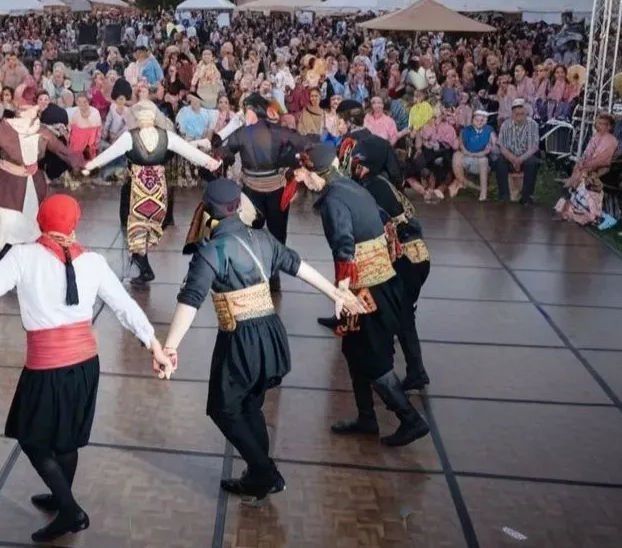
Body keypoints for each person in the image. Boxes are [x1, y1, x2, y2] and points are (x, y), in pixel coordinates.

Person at [0, 195, 171, 543]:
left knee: (32, 439)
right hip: (86, 364)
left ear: (40, 222)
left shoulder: (22, 257)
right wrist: (154, 345)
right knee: (67, 439)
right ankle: (61, 497)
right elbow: (125, 307)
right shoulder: (94, 262)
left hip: (47, 365)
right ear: (75, 224)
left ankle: (70, 511)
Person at [161, 179, 362, 502]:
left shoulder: (211, 251)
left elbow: (191, 300)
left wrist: (170, 347)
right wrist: (334, 293)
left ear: (207, 212)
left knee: (223, 409)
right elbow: (299, 266)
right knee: (250, 404)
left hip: (239, 338)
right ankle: (257, 476)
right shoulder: (262, 238)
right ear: (238, 206)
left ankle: (264, 472)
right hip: (269, 332)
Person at [287, 143, 429, 447]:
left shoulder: (333, 201)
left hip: (366, 291)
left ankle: (411, 419)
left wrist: (340, 293)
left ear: (317, 173)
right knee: (353, 352)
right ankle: (366, 417)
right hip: (382, 283)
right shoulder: (351, 186)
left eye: (302, 173)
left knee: (374, 360)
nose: (299, 179)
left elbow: (343, 244)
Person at [83, 101, 221, 283]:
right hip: (157, 188)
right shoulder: (166, 137)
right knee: (147, 225)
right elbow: (187, 151)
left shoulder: (130, 137)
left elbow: (110, 153)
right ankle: (143, 265)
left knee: (138, 225)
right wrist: (208, 162)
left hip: (140, 188)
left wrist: (90, 165)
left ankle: (143, 265)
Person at [0, 88, 84, 259]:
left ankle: (26, 274)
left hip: (34, 188)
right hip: (8, 189)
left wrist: (84, 164)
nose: (28, 112)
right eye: (23, 109)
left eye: (31, 108)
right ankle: (7, 273)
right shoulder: (2, 129)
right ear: (17, 107)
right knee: (9, 237)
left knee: (33, 235)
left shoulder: (41, 130)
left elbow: (63, 151)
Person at [345, 136, 432, 392]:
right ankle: (415, 370)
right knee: (403, 316)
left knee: (397, 316)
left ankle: (400, 371)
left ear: (366, 163)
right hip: (414, 255)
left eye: (356, 161)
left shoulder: (372, 187)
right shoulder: (378, 181)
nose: (352, 165)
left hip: (406, 258)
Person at [210, 93, 315, 286]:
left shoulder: (242, 133)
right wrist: (302, 162)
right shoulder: (280, 131)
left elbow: (223, 154)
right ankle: (274, 274)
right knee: (278, 231)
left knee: (251, 229)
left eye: (245, 110)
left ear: (252, 111)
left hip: (253, 190)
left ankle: (253, 272)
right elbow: (307, 145)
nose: (243, 114)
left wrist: (215, 153)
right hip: (274, 188)